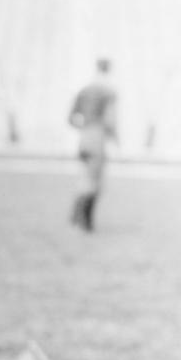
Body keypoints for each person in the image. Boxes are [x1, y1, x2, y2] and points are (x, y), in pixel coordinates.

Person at [68, 58, 118, 231]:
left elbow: (71, 118)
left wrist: (84, 127)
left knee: (84, 177)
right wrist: (115, 139)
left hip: (84, 137)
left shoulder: (84, 89)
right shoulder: (108, 91)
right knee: (96, 182)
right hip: (98, 138)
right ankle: (85, 220)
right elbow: (110, 119)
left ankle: (76, 215)